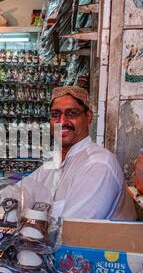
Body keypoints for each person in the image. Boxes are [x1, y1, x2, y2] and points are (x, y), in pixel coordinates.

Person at [18, 86, 136, 220]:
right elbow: (20, 192)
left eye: (72, 113)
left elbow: (71, 231)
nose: (62, 122)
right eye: (55, 114)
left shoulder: (98, 165)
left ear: (88, 116)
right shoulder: (54, 165)